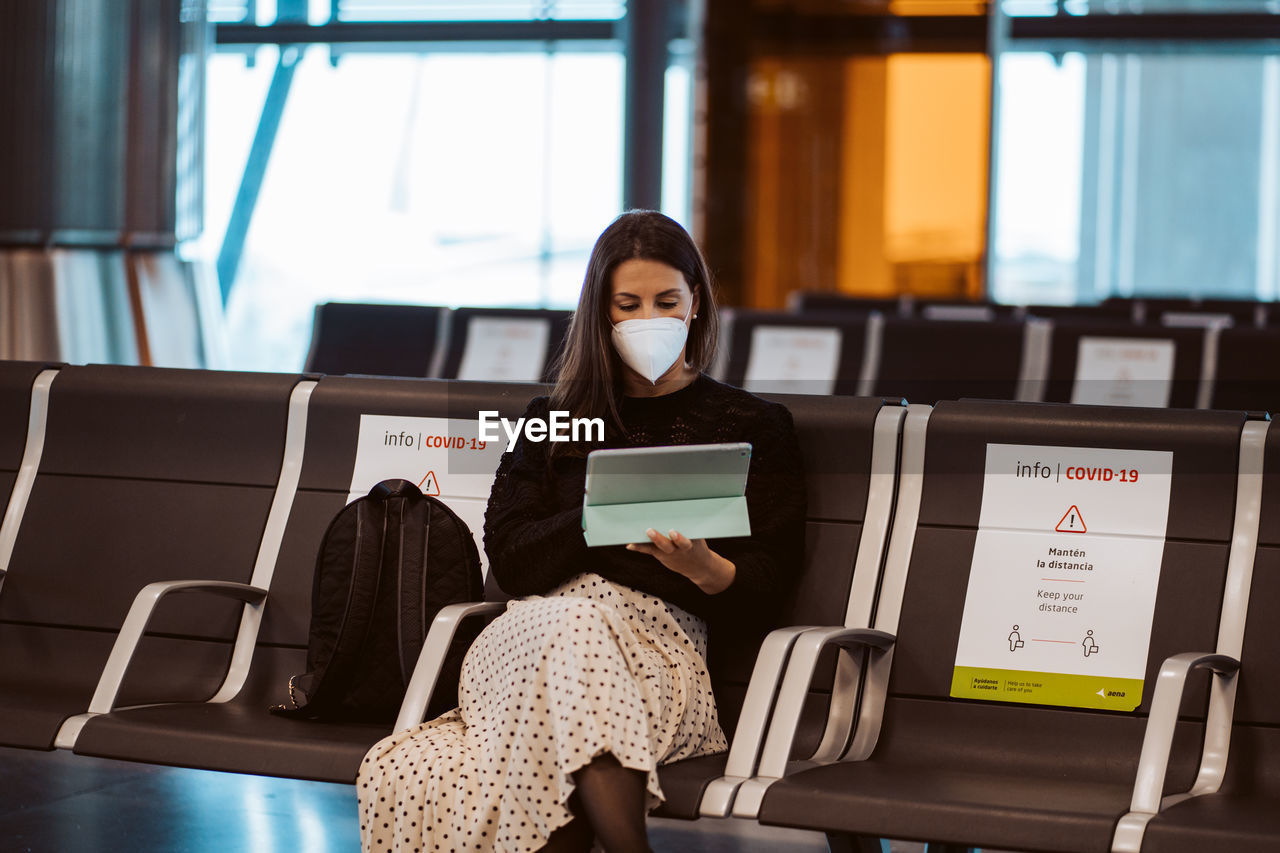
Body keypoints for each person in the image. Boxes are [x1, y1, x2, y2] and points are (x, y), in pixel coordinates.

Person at [357, 210, 806, 853]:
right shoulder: (554, 421)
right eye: (628, 304)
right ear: (601, 313)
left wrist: (703, 568)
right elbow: (512, 558)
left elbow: (770, 584)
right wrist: (597, 518)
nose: (648, 318)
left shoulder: (751, 425)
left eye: (666, 301)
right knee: (557, 635)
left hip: (656, 660)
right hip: (527, 638)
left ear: (696, 303)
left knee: (417, 765)